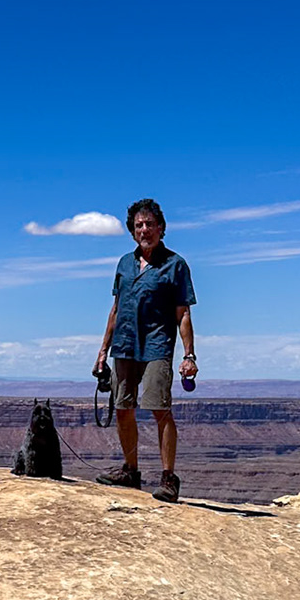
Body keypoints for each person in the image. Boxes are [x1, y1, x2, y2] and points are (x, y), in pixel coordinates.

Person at [92, 198, 196, 502]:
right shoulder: (124, 264)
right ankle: (130, 471)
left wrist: (189, 355)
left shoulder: (175, 265)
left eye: (150, 224)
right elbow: (116, 308)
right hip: (124, 345)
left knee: (159, 407)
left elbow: (183, 314)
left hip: (156, 345)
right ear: (132, 231)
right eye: (139, 225)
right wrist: (102, 350)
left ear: (161, 228)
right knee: (123, 407)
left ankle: (168, 478)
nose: (144, 229)